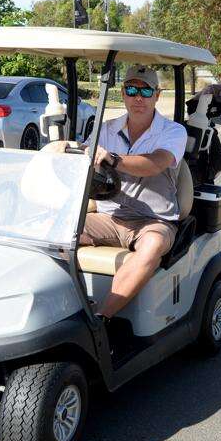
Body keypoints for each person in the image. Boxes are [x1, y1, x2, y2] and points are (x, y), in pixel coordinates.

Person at [82, 65, 187, 319]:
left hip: (153, 222)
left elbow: (156, 163)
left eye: (145, 90)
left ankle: (101, 320)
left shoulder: (173, 132)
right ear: (123, 93)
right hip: (110, 218)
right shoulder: (105, 129)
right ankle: (66, 309)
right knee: (57, 230)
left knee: (153, 245)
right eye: (131, 90)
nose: (138, 97)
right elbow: (84, 156)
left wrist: (114, 159)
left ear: (157, 95)